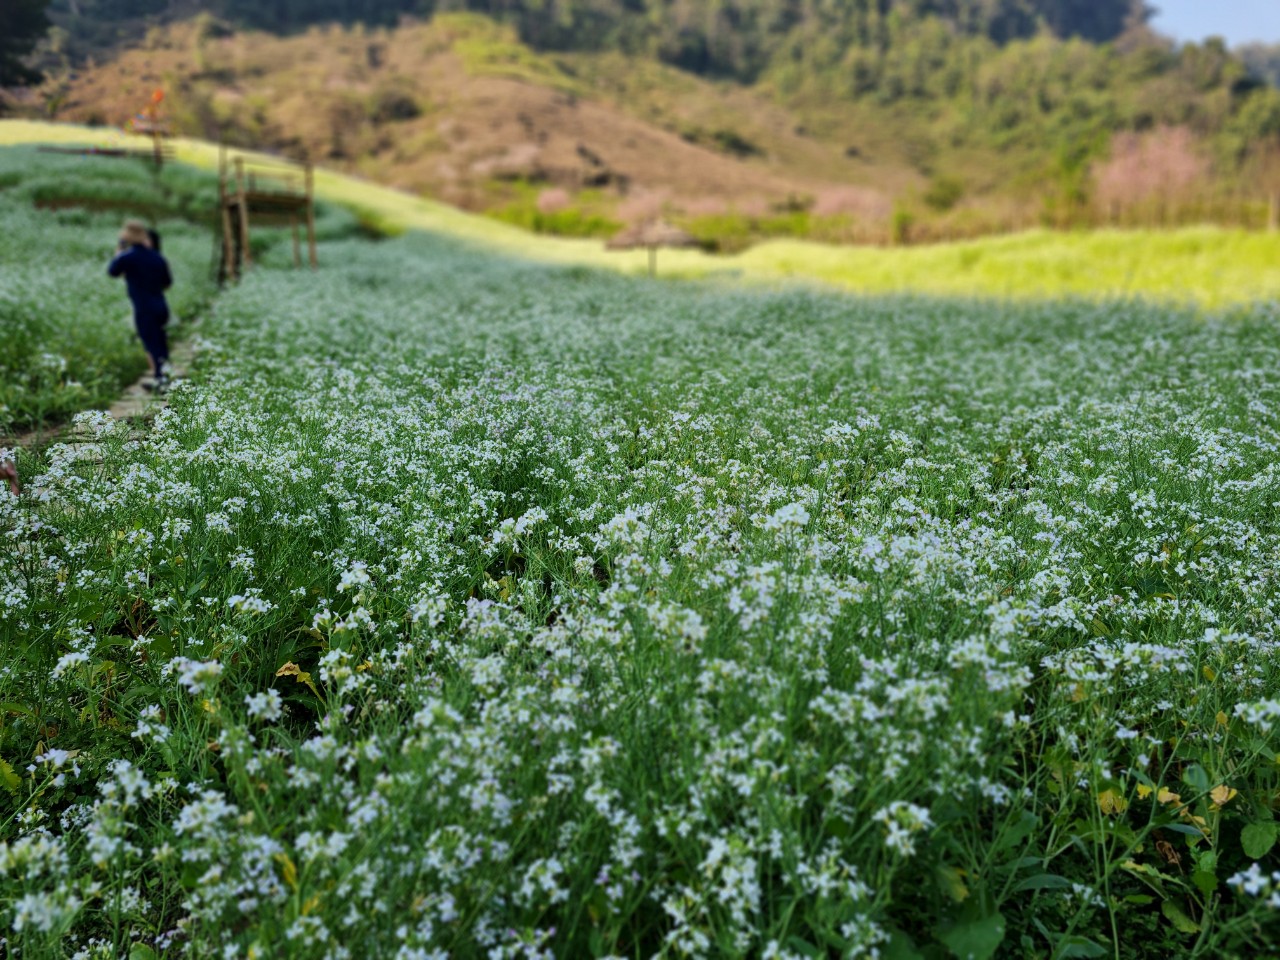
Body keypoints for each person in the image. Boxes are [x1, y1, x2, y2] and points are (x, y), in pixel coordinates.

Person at [108, 220, 173, 392]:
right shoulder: (158, 257)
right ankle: (165, 377)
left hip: (144, 307)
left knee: (151, 344)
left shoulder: (128, 257)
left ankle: (161, 382)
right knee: (160, 342)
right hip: (160, 305)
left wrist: (119, 252)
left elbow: (113, 271)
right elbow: (167, 283)